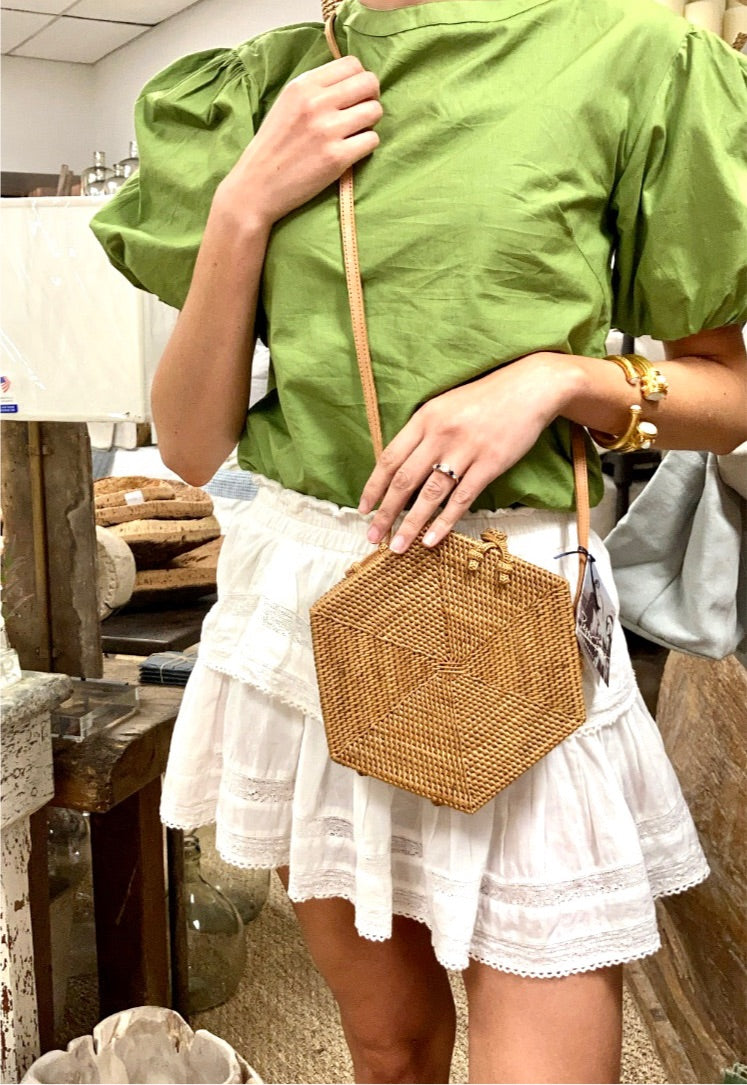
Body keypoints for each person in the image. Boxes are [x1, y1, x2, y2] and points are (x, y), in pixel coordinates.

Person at [91, 0, 747, 1080]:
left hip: (517, 611)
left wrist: (557, 381)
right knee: (389, 1047)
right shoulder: (253, 91)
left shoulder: (628, 52)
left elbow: (730, 393)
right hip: (310, 610)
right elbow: (194, 442)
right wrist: (246, 202)